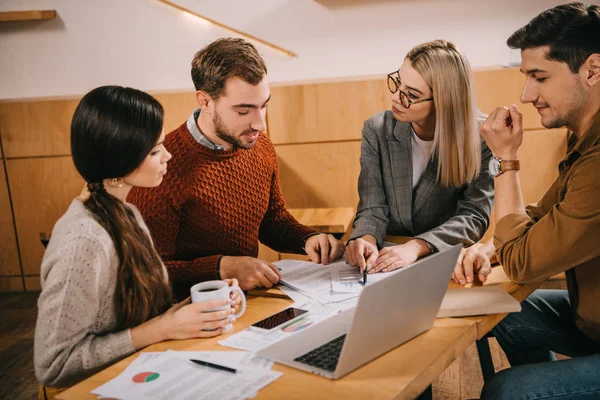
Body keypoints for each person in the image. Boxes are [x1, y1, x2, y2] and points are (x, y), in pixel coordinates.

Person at [34, 86, 240, 395]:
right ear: (120, 163)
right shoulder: (83, 242)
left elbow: (144, 319)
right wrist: (162, 328)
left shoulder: (127, 213)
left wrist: (198, 308)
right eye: (156, 150)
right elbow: (54, 366)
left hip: (140, 373)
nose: (167, 155)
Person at [128, 38, 344, 300]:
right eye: (244, 111)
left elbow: (271, 220)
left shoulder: (258, 144)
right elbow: (148, 273)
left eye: (264, 105)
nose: (260, 124)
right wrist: (221, 267)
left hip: (243, 301)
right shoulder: (162, 168)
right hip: (186, 311)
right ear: (205, 102)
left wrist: (308, 239)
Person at [464, 3, 600, 399]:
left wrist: (506, 160)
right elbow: (545, 214)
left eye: (539, 77)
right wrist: (490, 248)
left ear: (593, 70)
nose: (526, 96)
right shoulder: (583, 135)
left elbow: (524, 264)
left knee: (507, 390)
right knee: (503, 312)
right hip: (591, 320)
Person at [345, 40, 494, 276]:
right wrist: (367, 238)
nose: (396, 97)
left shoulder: (483, 137)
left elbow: (474, 216)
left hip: (443, 258)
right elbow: (372, 205)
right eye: (397, 83)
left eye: (411, 95)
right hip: (386, 258)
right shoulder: (377, 129)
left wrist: (416, 247)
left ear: (445, 102)